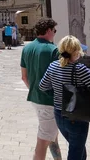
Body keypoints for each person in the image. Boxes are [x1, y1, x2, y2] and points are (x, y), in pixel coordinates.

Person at [39, 35, 90, 160]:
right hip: (76, 116)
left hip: (59, 114)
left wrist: (58, 93)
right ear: (76, 51)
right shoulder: (80, 69)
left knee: (78, 147)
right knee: (76, 150)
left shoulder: (53, 66)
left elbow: (42, 86)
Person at [20, 18, 62, 160]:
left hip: (35, 98)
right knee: (43, 140)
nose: (55, 34)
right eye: (54, 31)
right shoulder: (53, 50)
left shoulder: (27, 48)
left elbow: (24, 77)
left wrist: (35, 90)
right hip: (49, 100)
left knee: (51, 135)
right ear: (49, 30)